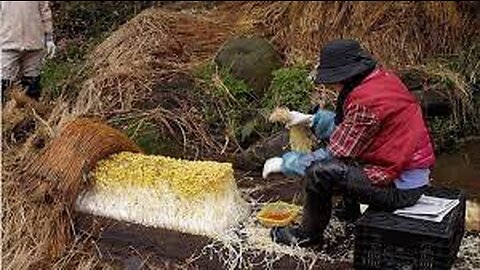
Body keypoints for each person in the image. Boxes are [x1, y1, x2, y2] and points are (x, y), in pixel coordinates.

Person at [262, 39, 435, 247]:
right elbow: (349, 130)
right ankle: (350, 211)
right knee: (344, 161)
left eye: (333, 80)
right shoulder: (382, 80)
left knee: (320, 172)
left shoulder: (366, 103)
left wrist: (286, 163)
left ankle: (307, 236)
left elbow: (337, 152)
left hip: (400, 189)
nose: (331, 85)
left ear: (345, 76)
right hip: (404, 173)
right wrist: (311, 120)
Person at [1, 1, 56, 103]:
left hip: (34, 43)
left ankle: (31, 114)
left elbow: (45, 12)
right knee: (4, 83)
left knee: (32, 84)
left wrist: (49, 38)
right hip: (7, 44)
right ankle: (4, 114)